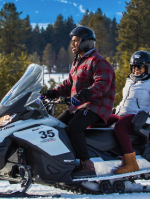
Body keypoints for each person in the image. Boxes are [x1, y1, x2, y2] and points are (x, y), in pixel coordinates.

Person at [41, 26, 116, 178]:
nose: (72, 44)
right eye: (72, 41)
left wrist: (86, 94)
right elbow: (69, 84)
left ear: (85, 43)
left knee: (75, 126)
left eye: (76, 41)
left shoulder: (98, 61)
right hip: (79, 105)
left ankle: (87, 164)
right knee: (57, 126)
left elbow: (102, 84)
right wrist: (53, 93)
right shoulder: (78, 61)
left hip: (96, 105)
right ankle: (66, 160)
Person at [110, 51, 150, 174]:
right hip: (123, 113)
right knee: (100, 120)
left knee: (120, 127)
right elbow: (126, 101)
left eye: (140, 67)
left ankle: (131, 163)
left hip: (138, 117)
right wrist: (115, 110)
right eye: (134, 67)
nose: (136, 70)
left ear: (147, 68)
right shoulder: (130, 80)